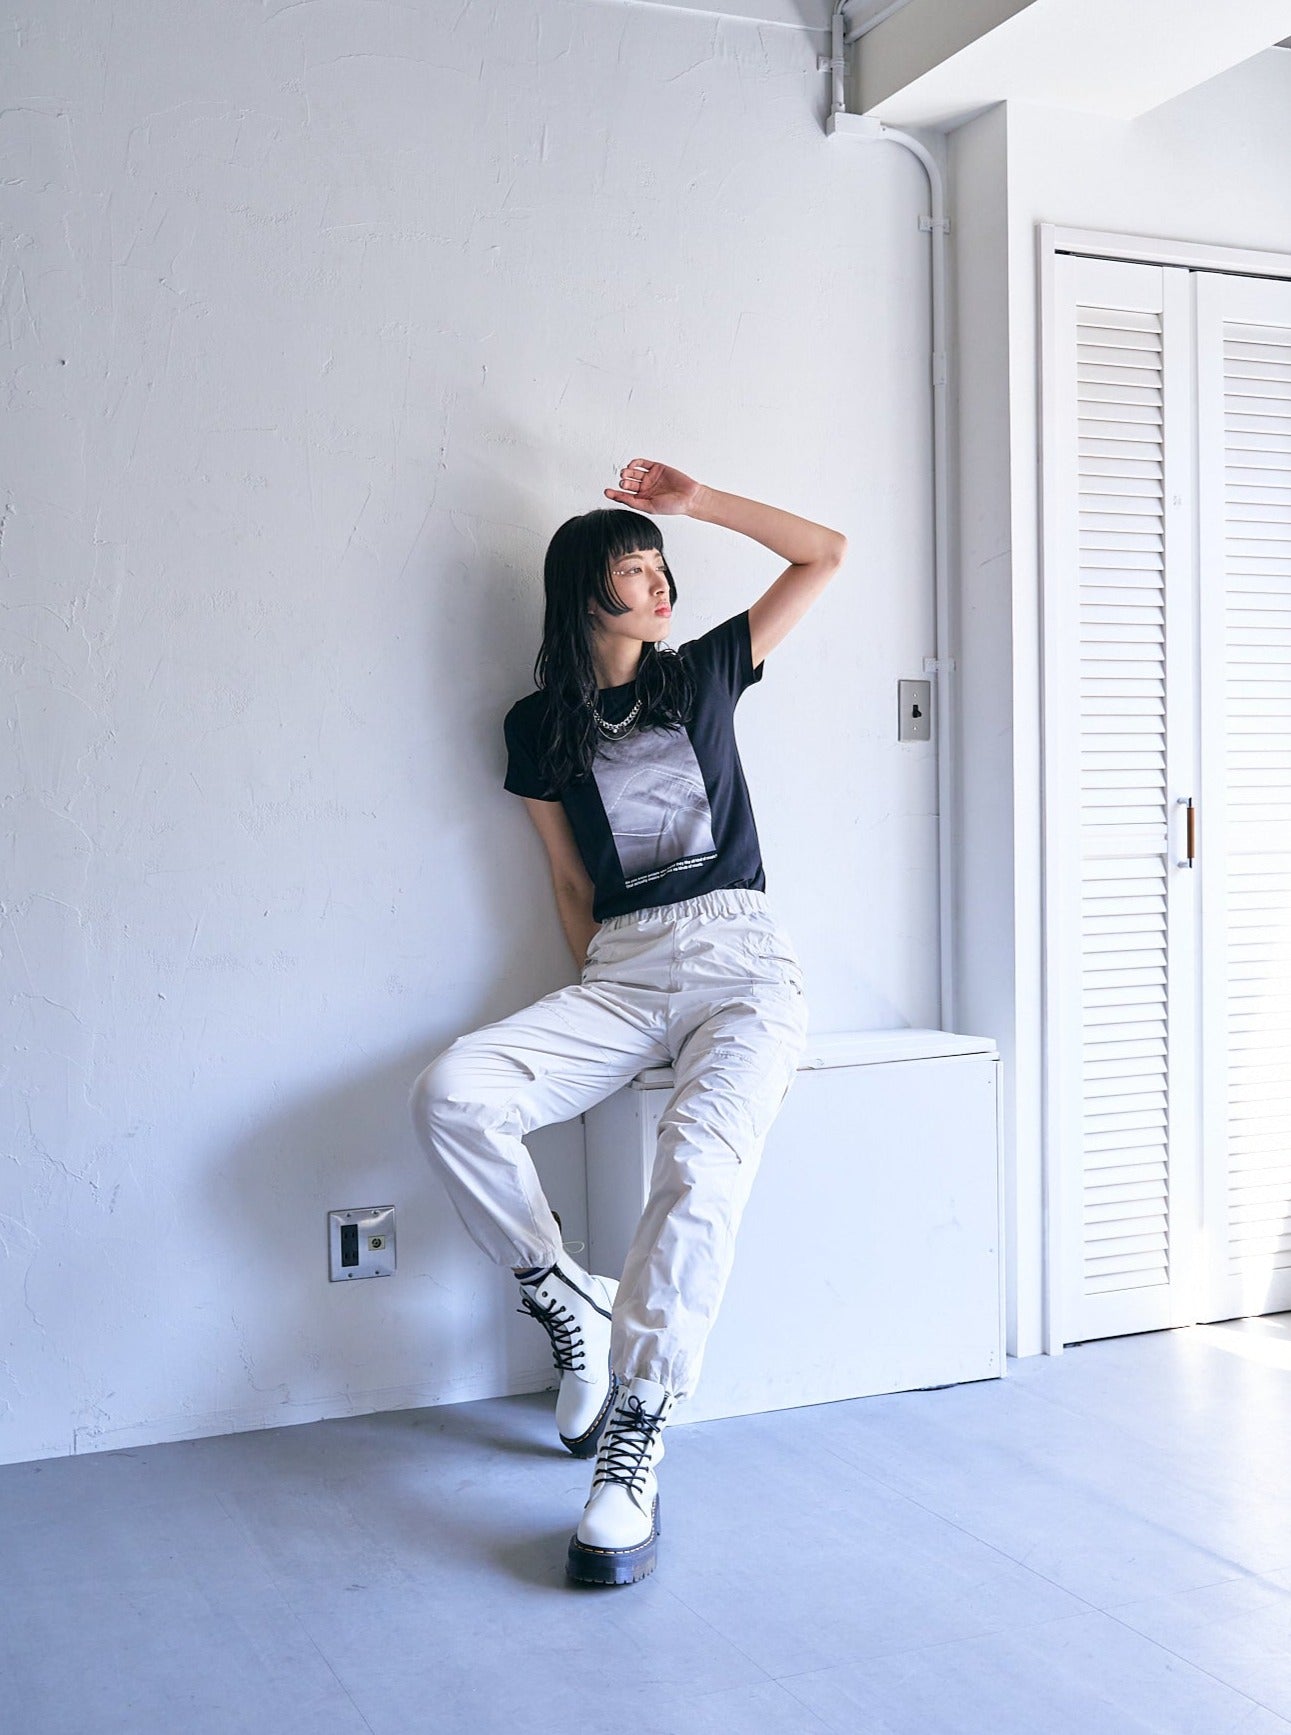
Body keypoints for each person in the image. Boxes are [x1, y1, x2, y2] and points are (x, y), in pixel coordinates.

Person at [409, 457, 846, 1586]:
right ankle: (561, 1291)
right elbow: (567, 882)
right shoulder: (538, 727)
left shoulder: (702, 672)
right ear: (582, 591)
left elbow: (824, 554)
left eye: (660, 564)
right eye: (633, 567)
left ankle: (635, 1433)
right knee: (454, 1092)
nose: (658, 583)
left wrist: (696, 505)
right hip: (622, 969)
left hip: (741, 963)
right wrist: (607, 999)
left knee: (695, 1167)